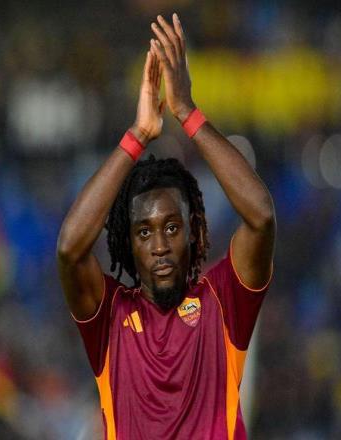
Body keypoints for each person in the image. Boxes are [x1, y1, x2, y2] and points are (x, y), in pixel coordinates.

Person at [57, 13, 275, 440]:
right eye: (144, 232)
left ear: (195, 233)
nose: (159, 244)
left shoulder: (223, 300)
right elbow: (69, 248)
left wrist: (187, 112)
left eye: (172, 228)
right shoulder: (109, 316)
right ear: (128, 243)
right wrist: (138, 134)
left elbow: (261, 216)